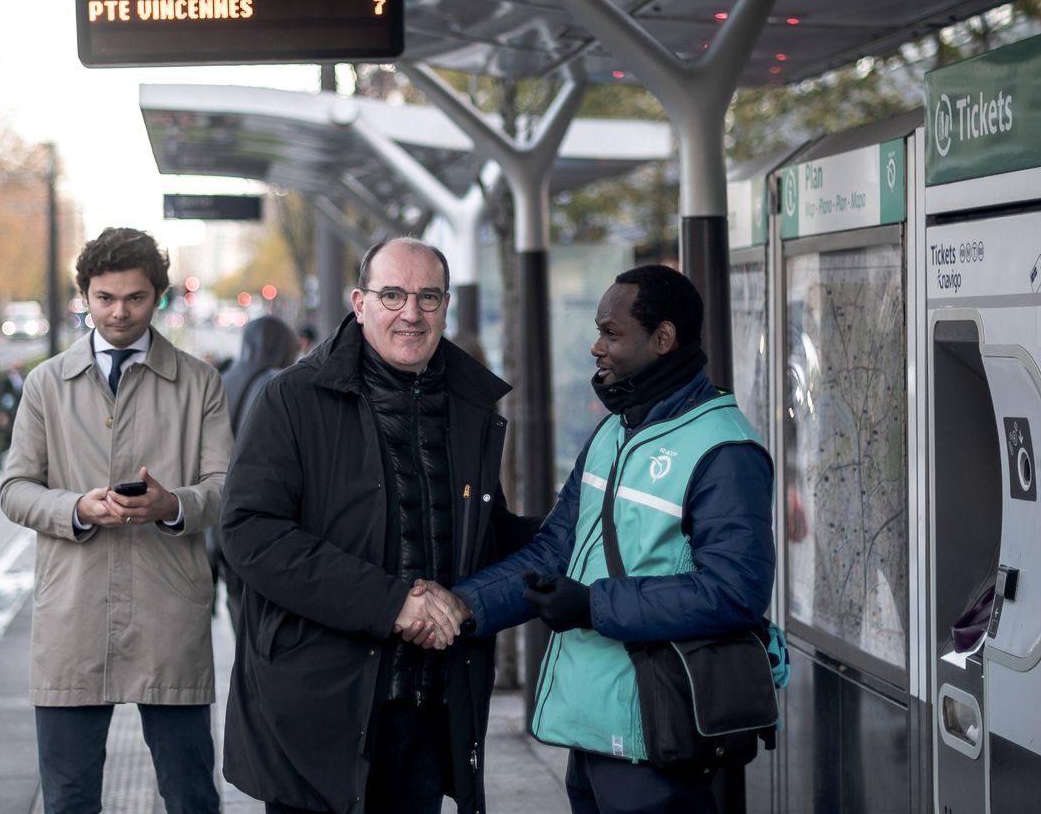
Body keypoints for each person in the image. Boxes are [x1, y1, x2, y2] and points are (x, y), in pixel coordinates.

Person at [438, 264, 775, 814]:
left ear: (662, 339)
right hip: (597, 728)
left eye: (612, 333)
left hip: (661, 735)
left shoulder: (725, 449)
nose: (597, 347)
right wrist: (460, 607)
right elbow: (555, 550)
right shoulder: (617, 430)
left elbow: (735, 591)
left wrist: (593, 604)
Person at [219, 237, 538, 814]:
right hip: (316, 707)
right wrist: (393, 602)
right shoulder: (291, 398)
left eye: (427, 297)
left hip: (427, 708)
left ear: (446, 306)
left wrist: (578, 530)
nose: (410, 313)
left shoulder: (470, 405)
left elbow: (479, 533)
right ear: (359, 302)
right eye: (392, 295)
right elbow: (249, 533)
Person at [0, 227, 232, 814]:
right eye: (105, 298)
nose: (119, 312)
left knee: (190, 794)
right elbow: (15, 489)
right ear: (84, 295)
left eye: (134, 298)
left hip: (168, 611)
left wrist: (171, 505)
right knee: (69, 798)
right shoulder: (46, 383)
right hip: (72, 612)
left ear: (158, 296)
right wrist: (76, 507)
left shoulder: (200, 383)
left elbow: (227, 489)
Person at [212, 315, 299, 626]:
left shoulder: (223, 378)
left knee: (236, 601)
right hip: (259, 514)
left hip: (220, 512)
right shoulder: (276, 383)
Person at [0, 360, 26, 470]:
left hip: (20, 413)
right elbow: (0, 397)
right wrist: (2, 414)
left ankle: (20, 464)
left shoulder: (23, 377)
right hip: (9, 414)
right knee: (8, 439)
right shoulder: (6, 380)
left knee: (22, 438)